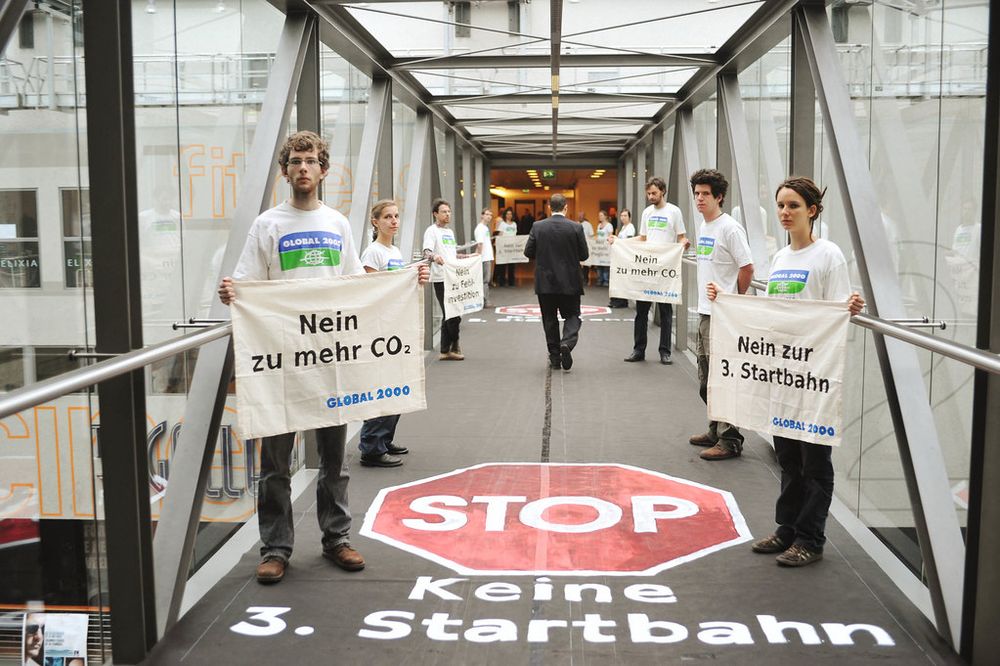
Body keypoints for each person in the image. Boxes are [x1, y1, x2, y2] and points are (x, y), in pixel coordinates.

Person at [217, 131, 428, 583]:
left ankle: (336, 538)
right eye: (296, 161)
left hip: (331, 359)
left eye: (311, 161)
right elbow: (247, 285)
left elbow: (356, 284)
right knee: (275, 464)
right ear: (285, 170)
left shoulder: (337, 224)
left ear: (323, 170)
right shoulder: (267, 224)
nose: (303, 168)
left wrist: (407, 281)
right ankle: (276, 548)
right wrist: (233, 293)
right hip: (281, 361)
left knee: (334, 458)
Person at [709, 177, 864, 566]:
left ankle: (811, 538)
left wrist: (849, 308)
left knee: (815, 462)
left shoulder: (828, 255)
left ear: (812, 211)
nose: (784, 212)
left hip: (812, 378)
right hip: (781, 376)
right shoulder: (779, 259)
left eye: (793, 205)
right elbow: (770, 314)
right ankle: (787, 529)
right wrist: (725, 300)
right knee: (789, 458)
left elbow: (835, 315)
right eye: (780, 205)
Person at [687, 168, 754, 461]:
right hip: (706, 311)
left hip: (723, 315)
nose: (699, 199)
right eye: (697, 194)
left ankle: (730, 439)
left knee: (723, 378)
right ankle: (715, 428)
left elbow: (747, 267)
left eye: (705, 194)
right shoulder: (705, 227)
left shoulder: (730, 228)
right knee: (706, 378)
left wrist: (732, 300)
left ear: (719, 197)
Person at [357, 200, 411, 468]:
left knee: (395, 384)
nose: (394, 221)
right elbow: (372, 291)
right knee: (382, 386)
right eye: (388, 217)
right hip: (380, 328)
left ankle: (384, 439)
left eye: (396, 216)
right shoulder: (372, 253)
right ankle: (371, 447)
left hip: (394, 325)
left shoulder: (395, 251)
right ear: (375, 221)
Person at [623, 177, 688, 365]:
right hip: (647, 268)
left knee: (666, 312)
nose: (651, 196)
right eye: (649, 193)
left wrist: (684, 243)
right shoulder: (647, 213)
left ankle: (665, 352)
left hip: (665, 268)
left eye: (654, 193)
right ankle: (638, 350)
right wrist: (621, 243)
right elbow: (642, 238)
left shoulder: (674, 211)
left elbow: (681, 237)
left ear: (663, 191)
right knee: (641, 312)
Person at [523, 193, 589, 370]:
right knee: (573, 315)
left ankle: (554, 357)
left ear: (549, 208)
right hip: (570, 281)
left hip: (546, 282)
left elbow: (528, 252)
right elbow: (584, 255)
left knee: (549, 319)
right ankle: (567, 342)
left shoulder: (538, 226)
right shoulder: (576, 227)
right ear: (566, 207)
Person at [424, 198, 474, 360]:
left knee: (453, 313)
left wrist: (466, 256)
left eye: (449, 211)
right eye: (444, 212)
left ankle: (445, 350)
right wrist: (434, 257)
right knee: (452, 314)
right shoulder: (431, 231)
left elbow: (452, 254)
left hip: (454, 277)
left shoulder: (449, 232)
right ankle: (455, 346)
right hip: (441, 278)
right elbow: (426, 252)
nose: (447, 214)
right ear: (435, 214)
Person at [608, 207, 634, 308]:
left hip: (625, 257)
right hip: (619, 256)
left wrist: (616, 239)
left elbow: (629, 242)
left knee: (622, 280)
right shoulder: (623, 227)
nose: (623, 218)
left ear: (629, 217)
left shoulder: (630, 228)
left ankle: (622, 301)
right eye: (622, 216)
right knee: (618, 279)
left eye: (625, 216)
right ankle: (616, 300)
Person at [474, 208, 495, 307]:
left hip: (487, 256)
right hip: (484, 258)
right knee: (485, 280)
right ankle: (485, 301)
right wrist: (478, 256)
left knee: (485, 279)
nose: (489, 217)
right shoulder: (480, 228)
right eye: (487, 214)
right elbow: (480, 244)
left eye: (490, 215)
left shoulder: (485, 228)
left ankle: (484, 300)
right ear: (482, 215)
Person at [495, 208, 518, 287]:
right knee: (503, 264)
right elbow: (500, 234)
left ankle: (511, 281)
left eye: (510, 214)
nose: (509, 215)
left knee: (512, 264)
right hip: (504, 246)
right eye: (507, 214)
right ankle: (502, 281)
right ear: (505, 215)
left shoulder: (514, 224)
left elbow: (515, 234)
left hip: (512, 246)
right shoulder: (502, 224)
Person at [594, 210, 614, 287]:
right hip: (599, 248)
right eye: (599, 215)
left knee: (605, 264)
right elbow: (598, 235)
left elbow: (610, 236)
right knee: (599, 263)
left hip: (606, 248)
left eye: (601, 215)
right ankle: (599, 280)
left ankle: (606, 281)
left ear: (605, 216)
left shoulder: (609, 225)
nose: (599, 217)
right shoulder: (599, 225)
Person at [578, 212, 594, 286]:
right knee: (579, 264)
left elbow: (591, 235)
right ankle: (580, 279)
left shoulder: (588, 225)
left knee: (586, 264)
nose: (580, 217)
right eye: (579, 216)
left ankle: (585, 279)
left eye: (581, 216)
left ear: (584, 216)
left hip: (586, 245)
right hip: (578, 246)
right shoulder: (576, 224)